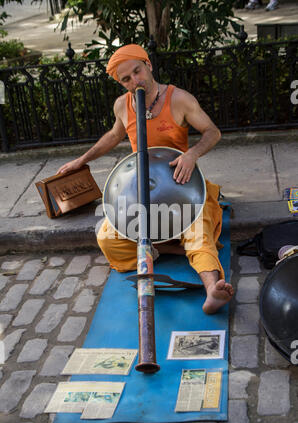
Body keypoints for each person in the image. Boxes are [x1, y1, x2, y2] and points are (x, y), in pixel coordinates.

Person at [57, 44, 234, 314]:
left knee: (198, 233)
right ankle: (173, 249)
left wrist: (192, 155)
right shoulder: (122, 105)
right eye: (125, 79)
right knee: (107, 238)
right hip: (141, 191)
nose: (134, 81)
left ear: (148, 65)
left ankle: (212, 288)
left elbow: (212, 132)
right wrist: (81, 161)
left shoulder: (179, 99)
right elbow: (114, 136)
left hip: (180, 186)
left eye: (137, 72)